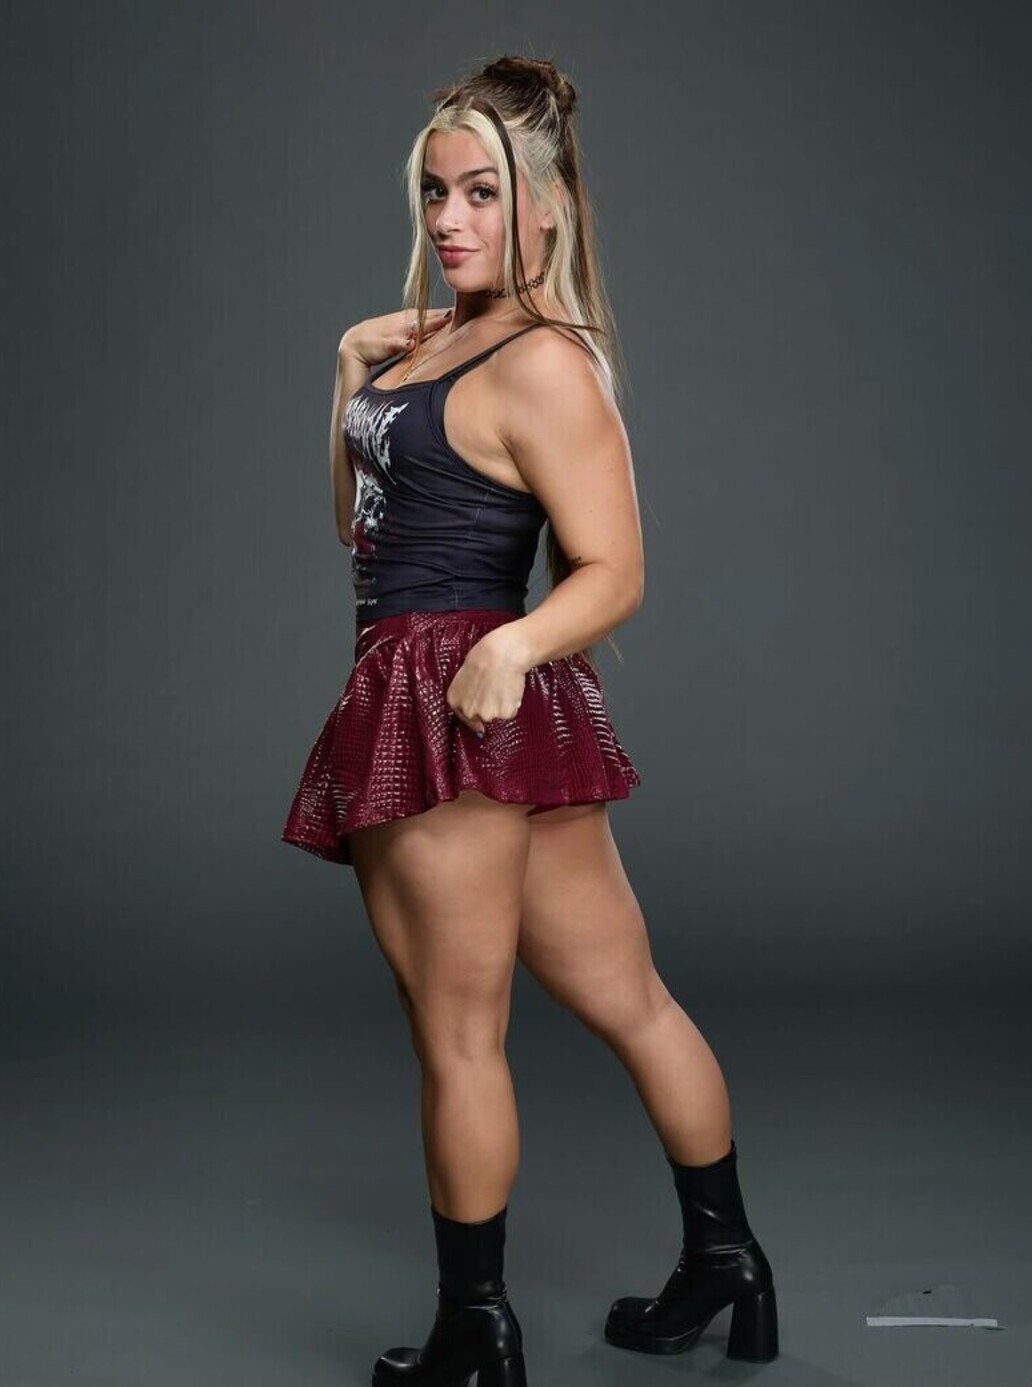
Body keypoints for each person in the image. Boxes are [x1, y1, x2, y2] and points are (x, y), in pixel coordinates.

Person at [281, 54, 778, 1384]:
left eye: (482, 194)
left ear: (545, 211)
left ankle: (476, 1332)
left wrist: (513, 643)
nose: (450, 218)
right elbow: (360, 530)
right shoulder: (427, 343)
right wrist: (347, 371)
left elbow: (617, 568)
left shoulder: (546, 362)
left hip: (458, 703)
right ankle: (728, 1259)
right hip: (450, 689)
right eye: (435, 191)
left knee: (461, 1035)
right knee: (628, 999)